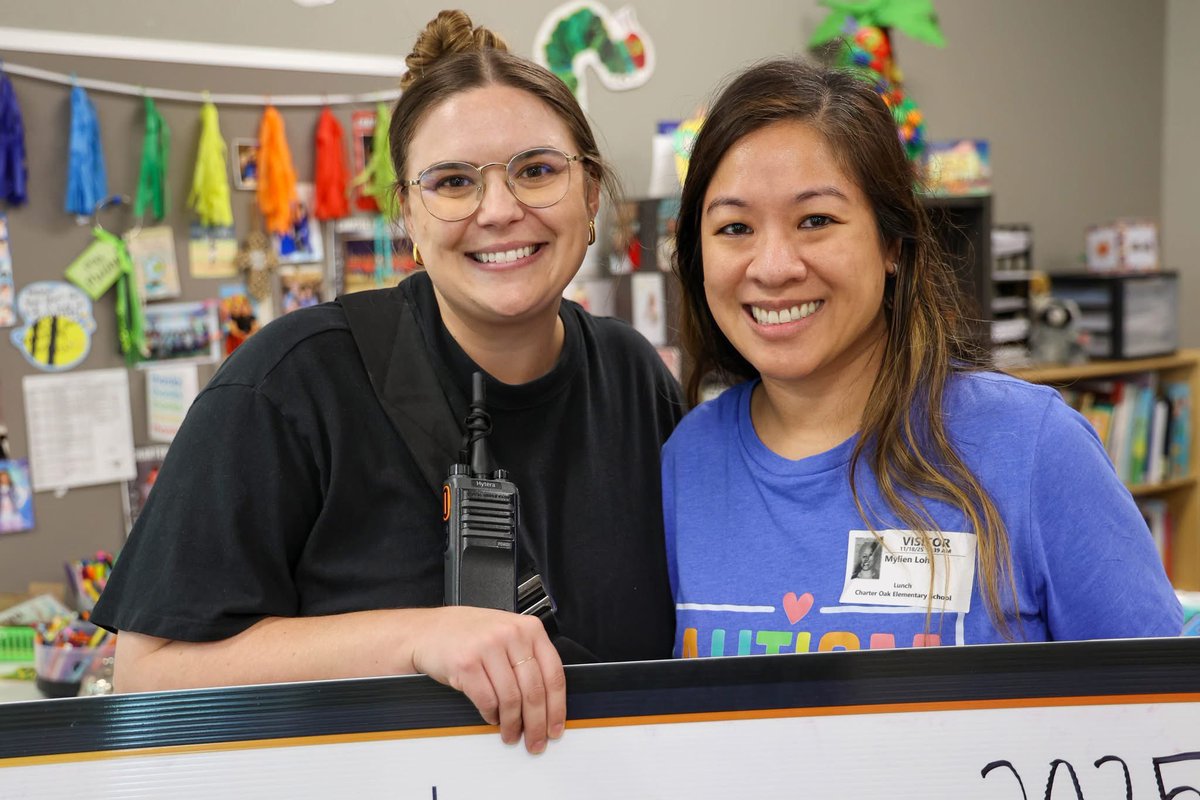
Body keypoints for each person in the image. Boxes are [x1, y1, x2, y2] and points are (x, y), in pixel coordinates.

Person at [91, 10, 682, 754]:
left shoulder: (636, 379)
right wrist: (415, 639)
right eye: (453, 182)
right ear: (408, 214)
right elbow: (149, 674)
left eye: (537, 170)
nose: (499, 210)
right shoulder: (288, 386)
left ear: (591, 192)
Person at [662, 57, 1182, 660]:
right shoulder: (687, 461)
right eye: (734, 228)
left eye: (816, 220)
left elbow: (1163, 715)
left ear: (892, 243)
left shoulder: (1034, 448)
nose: (774, 266)